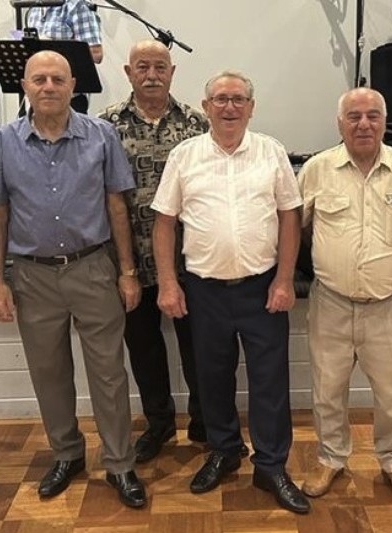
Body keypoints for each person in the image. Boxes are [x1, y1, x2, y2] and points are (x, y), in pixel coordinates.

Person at [0, 51, 146, 508]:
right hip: (32, 275)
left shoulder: (101, 135)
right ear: (24, 85)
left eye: (58, 79)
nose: (48, 86)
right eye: (39, 79)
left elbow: (117, 206)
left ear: (73, 84)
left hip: (92, 267)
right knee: (49, 371)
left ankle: (119, 462)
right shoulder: (2, 142)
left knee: (109, 372)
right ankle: (67, 454)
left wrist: (128, 272)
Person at [151, 70, 310, 514]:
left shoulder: (270, 152)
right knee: (212, 377)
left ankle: (271, 465)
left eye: (238, 99)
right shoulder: (185, 156)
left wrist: (284, 279)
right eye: (220, 99)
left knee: (270, 381)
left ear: (251, 107)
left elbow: (290, 216)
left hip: (262, 288)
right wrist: (168, 282)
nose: (229, 107)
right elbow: (164, 223)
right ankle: (223, 450)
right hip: (205, 291)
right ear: (206, 107)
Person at [98, 40, 248, 464]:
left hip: (192, 263)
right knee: (144, 350)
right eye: (142, 67)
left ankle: (205, 422)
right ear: (128, 72)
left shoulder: (198, 123)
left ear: (172, 72)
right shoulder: (105, 127)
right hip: (130, 260)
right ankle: (159, 423)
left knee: (201, 350)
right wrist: (124, 268)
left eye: (160, 67)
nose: (151, 75)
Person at [298, 88, 392, 504]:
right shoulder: (316, 170)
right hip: (331, 303)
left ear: (384, 122)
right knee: (327, 392)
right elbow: (301, 230)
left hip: (389, 305)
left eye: (373, 116)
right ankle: (330, 458)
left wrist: (385, 269)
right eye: (353, 116)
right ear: (339, 124)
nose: (363, 124)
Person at [26, 0, 103, 113]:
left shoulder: (77, 6)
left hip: (69, 97)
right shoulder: (33, 9)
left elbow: (96, 53)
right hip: (38, 96)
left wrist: (53, 51)